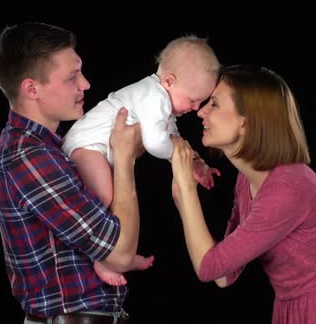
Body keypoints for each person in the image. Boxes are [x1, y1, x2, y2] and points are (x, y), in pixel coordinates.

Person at [169, 65, 316, 323]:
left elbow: (209, 267)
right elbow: (224, 275)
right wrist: (181, 194)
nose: (201, 112)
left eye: (215, 104)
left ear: (246, 122)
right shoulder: (247, 181)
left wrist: (187, 189)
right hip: (289, 311)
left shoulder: (288, 189)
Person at [0, 22, 144, 324]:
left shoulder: (49, 149)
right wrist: (124, 156)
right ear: (31, 88)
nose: (85, 84)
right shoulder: (29, 159)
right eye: (72, 77)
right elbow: (120, 255)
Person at [61, 34, 222, 285]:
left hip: (104, 151)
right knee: (103, 195)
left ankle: (114, 256)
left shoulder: (163, 102)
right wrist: (178, 156)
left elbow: (172, 137)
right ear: (169, 81)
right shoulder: (152, 96)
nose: (196, 107)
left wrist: (193, 163)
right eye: (193, 99)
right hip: (85, 146)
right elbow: (156, 143)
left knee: (112, 196)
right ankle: (101, 258)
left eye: (201, 101)